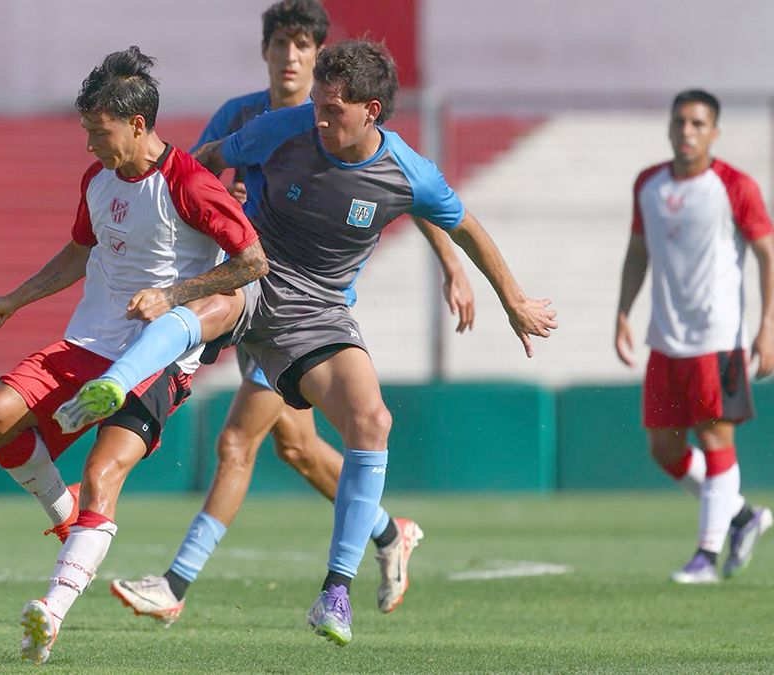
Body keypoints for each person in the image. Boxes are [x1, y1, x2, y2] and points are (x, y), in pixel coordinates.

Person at [61, 39, 556, 646]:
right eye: (316, 104)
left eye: (332, 110)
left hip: (316, 313)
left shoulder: (408, 173)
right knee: (225, 356)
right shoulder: (283, 126)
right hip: (252, 274)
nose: (317, 118)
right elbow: (206, 160)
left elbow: (464, 225)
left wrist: (513, 300)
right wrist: (219, 206)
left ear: (372, 112)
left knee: (368, 423)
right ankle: (112, 388)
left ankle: (335, 591)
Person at [108, 0, 475, 626]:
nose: (290, 56)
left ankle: (175, 584)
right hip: (246, 284)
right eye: (281, 43)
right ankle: (390, 533)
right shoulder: (244, 115)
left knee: (236, 442)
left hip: (299, 312)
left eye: (303, 45)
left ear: (320, 56)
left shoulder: (338, 121)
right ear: (266, 51)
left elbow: (411, 191)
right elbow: (195, 173)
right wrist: (222, 198)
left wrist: (453, 264)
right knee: (298, 449)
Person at [0, 47, 267, 665]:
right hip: (89, 341)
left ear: (136, 124)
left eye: (97, 132)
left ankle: (50, 612)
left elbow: (252, 262)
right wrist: (15, 300)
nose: (89, 145)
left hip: (160, 361)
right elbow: (81, 252)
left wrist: (173, 296)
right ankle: (65, 515)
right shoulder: (97, 180)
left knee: (104, 473)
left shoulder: (190, 183)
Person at [615, 89, 774, 584]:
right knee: (663, 449)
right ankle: (742, 515)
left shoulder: (735, 186)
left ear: (714, 132)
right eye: (680, 121)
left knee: (714, 436)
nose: (687, 131)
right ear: (669, 127)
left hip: (717, 337)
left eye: (698, 123)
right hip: (665, 338)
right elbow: (637, 251)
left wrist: (768, 326)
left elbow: (768, 253)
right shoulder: (649, 184)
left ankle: (706, 555)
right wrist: (623, 312)